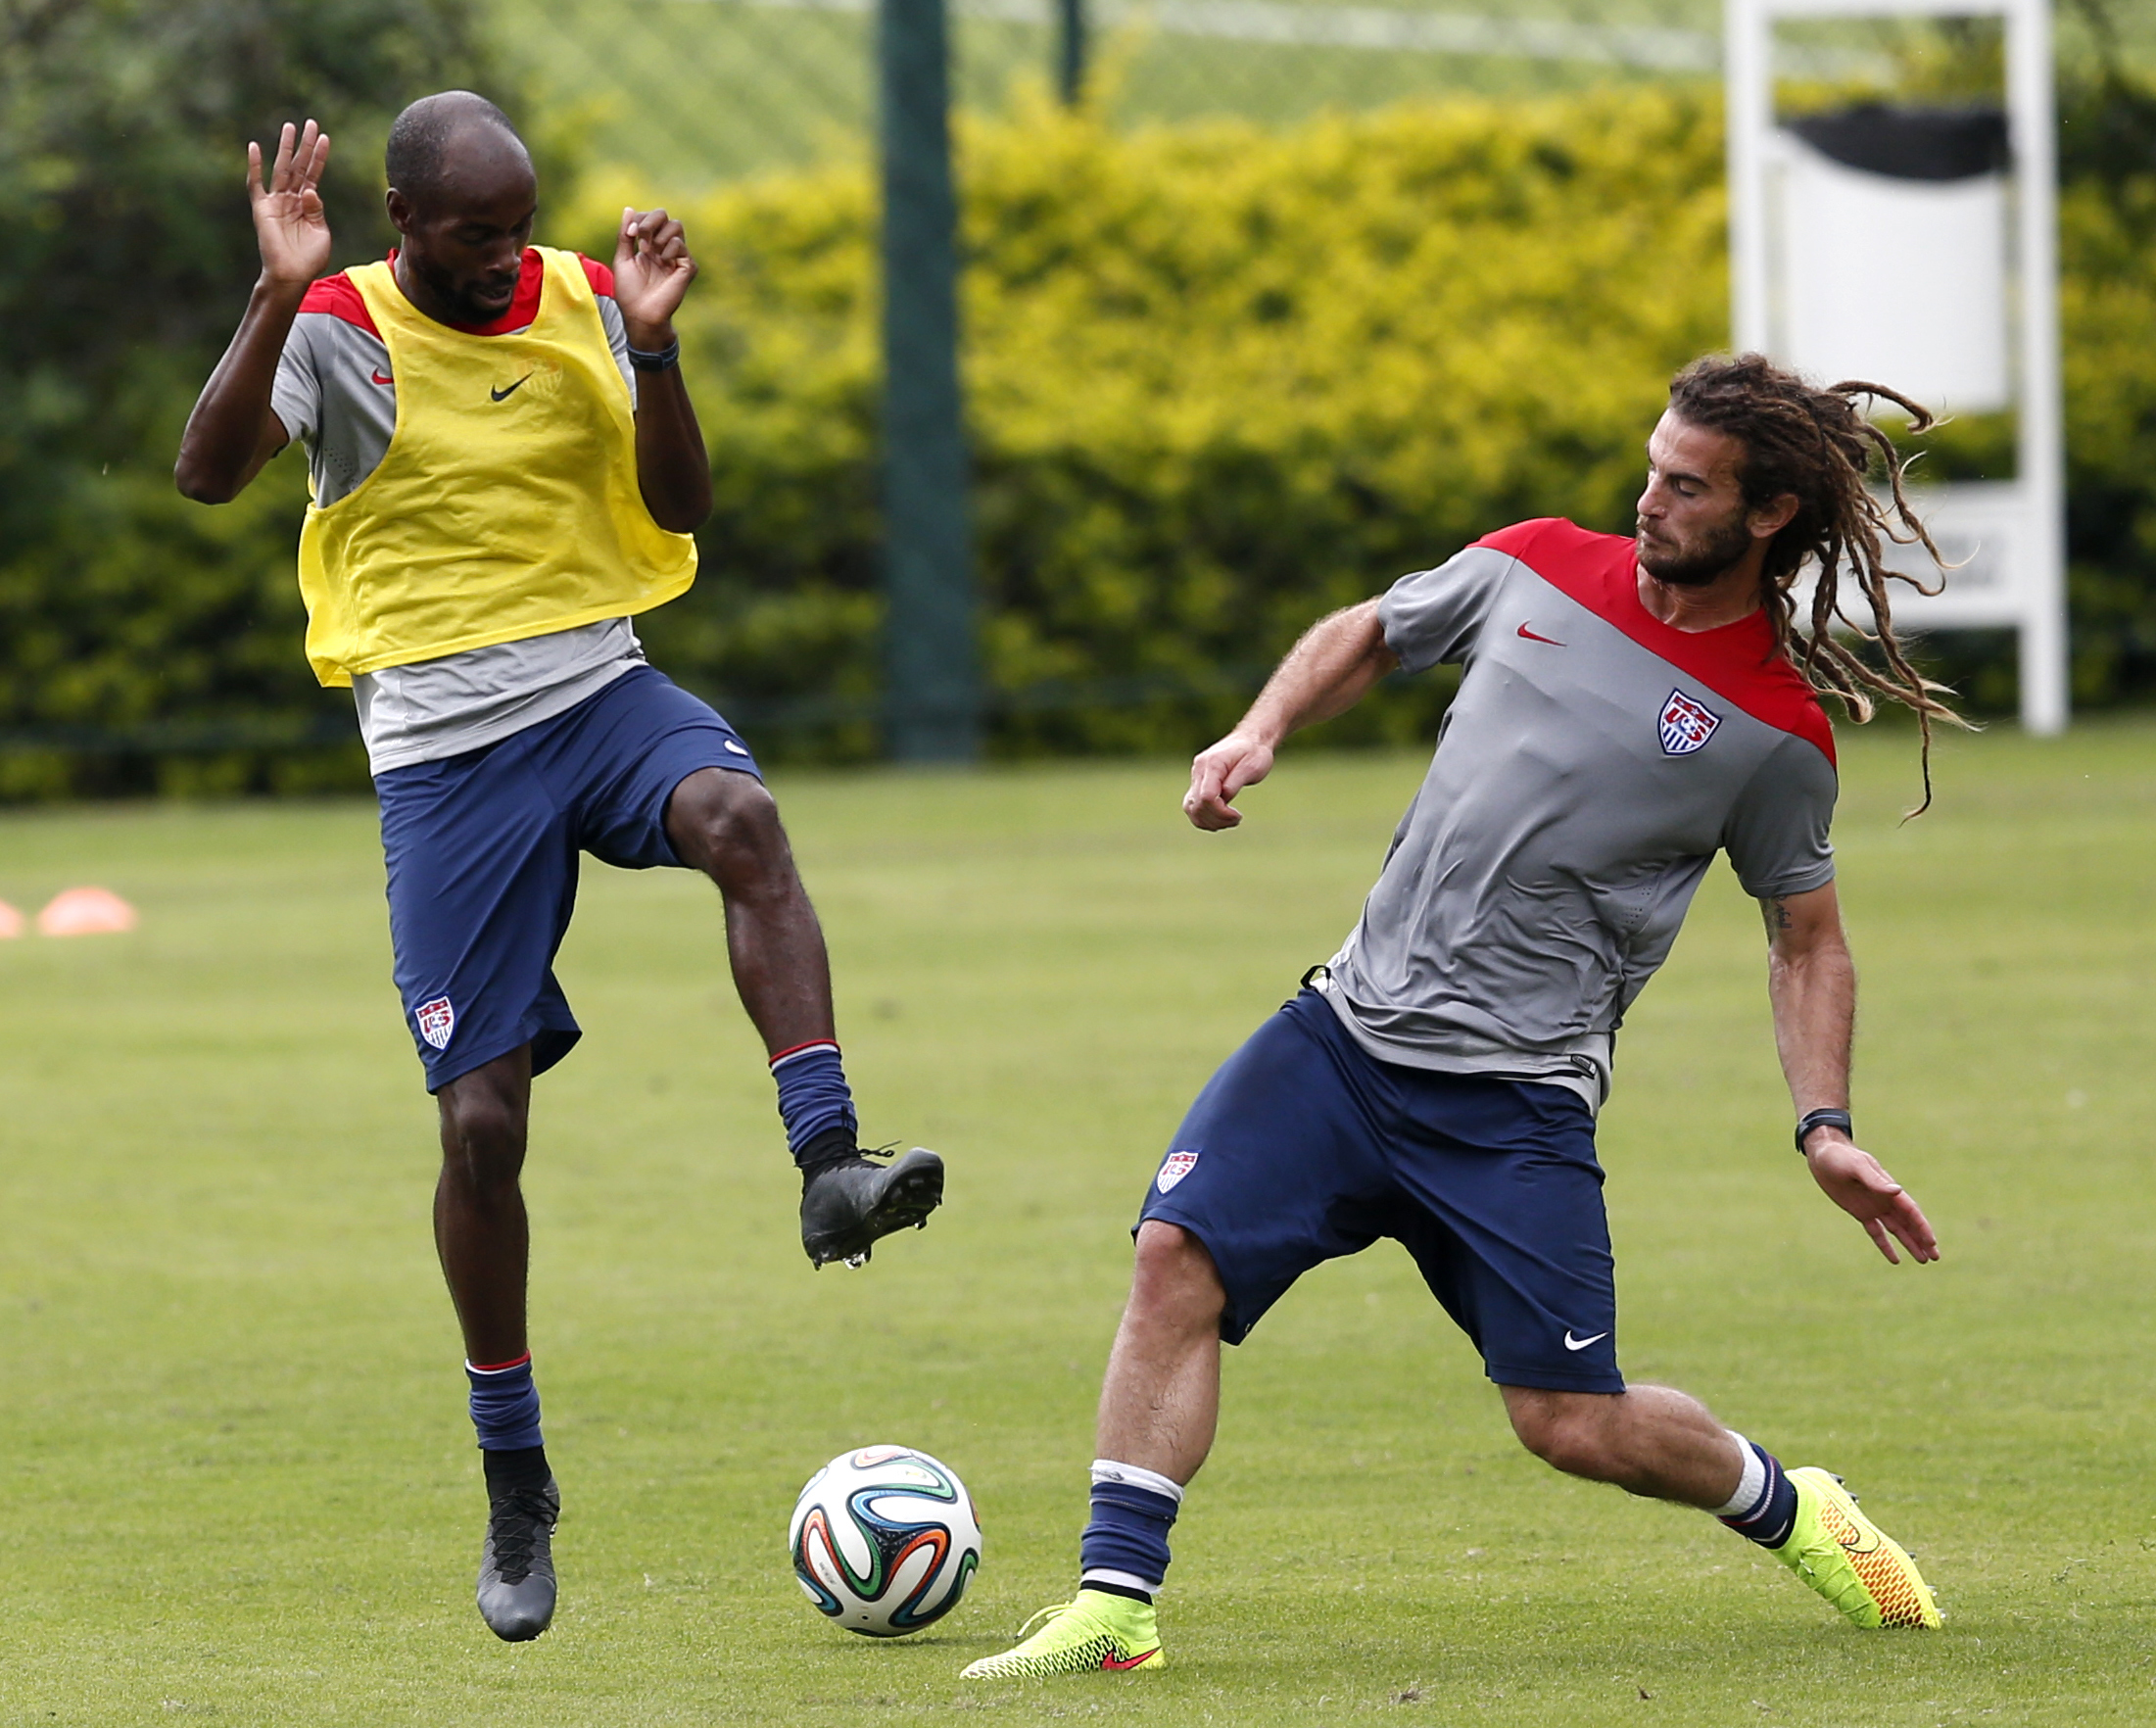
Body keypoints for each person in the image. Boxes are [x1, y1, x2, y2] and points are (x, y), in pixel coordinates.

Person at [962, 354, 1955, 1680]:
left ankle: (1789, 1504)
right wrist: (1260, 730)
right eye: (1650, 470)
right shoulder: (1535, 565)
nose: (1648, 501)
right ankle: (1113, 1610)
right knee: (1172, 1260)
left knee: (1568, 1424)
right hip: (1341, 1038)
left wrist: (1822, 1126)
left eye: (1685, 485)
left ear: (1766, 515)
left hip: (1510, 1105)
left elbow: (1806, 940)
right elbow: (1370, 629)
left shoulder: (1769, 733)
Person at [174, 93, 944, 1644]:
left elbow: (681, 507)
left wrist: (655, 348)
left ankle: (829, 1168)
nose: (505, 257)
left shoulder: (592, 299)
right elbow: (204, 474)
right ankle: (515, 1475)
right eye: (474, 235)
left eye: (519, 226)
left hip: (597, 689)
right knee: (481, 1131)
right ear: (404, 226)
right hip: (445, 754)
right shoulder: (339, 325)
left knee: (742, 821)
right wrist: (268, 297)